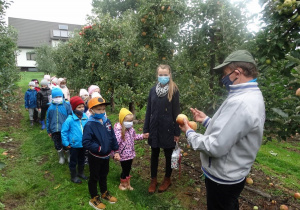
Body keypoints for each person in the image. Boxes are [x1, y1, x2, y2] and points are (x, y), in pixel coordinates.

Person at [179, 50, 265, 210]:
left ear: (237, 73)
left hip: (223, 179)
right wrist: (206, 120)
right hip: (233, 174)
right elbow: (232, 131)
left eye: (225, 74)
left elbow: (215, 146)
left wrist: (189, 132)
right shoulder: (251, 95)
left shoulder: (241, 102)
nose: (223, 79)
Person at [143, 64, 180, 193]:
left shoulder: (174, 90)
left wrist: (177, 132)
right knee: (154, 153)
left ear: (169, 75)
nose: (163, 77)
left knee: (168, 154)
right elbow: (149, 110)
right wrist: (146, 128)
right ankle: (153, 179)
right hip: (154, 127)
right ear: (157, 75)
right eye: (160, 75)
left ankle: (167, 178)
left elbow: (176, 113)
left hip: (168, 127)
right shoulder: (153, 90)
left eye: (165, 75)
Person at [82, 97, 120, 210]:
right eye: (98, 109)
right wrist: (99, 148)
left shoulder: (106, 121)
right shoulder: (89, 125)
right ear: (91, 110)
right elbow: (86, 142)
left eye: (103, 109)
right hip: (95, 156)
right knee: (94, 176)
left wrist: (116, 150)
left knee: (104, 174)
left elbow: (112, 137)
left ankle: (104, 192)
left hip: (106, 155)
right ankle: (94, 197)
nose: (102, 112)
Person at [114, 108, 149, 191]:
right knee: (125, 169)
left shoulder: (131, 130)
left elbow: (134, 137)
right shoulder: (119, 131)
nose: (130, 123)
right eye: (128, 121)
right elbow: (116, 143)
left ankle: (127, 184)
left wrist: (143, 136)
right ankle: (122, 184)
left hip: (130, 154)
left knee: (128, 169)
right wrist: (116, 152)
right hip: (123, 154)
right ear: (122, 120)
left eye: (131, 121)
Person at [61, 96, 88, 184]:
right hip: (74, 145)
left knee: (82, 159)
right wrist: (66, 143)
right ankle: (73, 176)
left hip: (83, 144)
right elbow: (64, 132)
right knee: (73, 161)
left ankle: (80, 172)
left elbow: (89, 129)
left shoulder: (85, 118)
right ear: (73, 108)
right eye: (79, 107)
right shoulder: (70, 120)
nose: (81, 109)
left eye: (82, 106)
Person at [46, 88, 72, 164]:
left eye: (59, 96)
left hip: (64, 129)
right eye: (56, 97)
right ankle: (61, 157)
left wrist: (70, 128)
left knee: (66, 143)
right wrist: (49, 130)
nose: (58, 98)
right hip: (54, 130)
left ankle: (68, 156)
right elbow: (48, 119)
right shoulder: (50, 107)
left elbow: (70, 116)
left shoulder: (66, 105)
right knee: (57, 144)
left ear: (62, 96)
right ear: (52, 97)